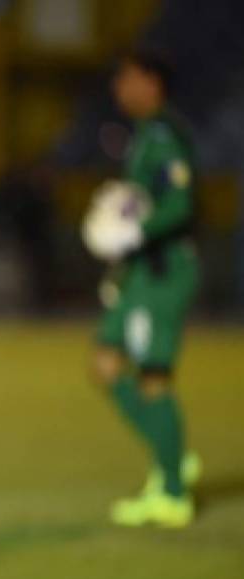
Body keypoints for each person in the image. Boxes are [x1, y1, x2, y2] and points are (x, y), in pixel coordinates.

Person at [90, 49, 200, 527]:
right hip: (139, 273)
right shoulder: (140, 138)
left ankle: (173, 491)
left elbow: (179, 204)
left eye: (130, 79)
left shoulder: (164, 135)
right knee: (106, 365)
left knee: (153, 377)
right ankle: (169, 452)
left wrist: (135, 234)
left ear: (154, 83)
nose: (122, 90)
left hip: (164, 270)